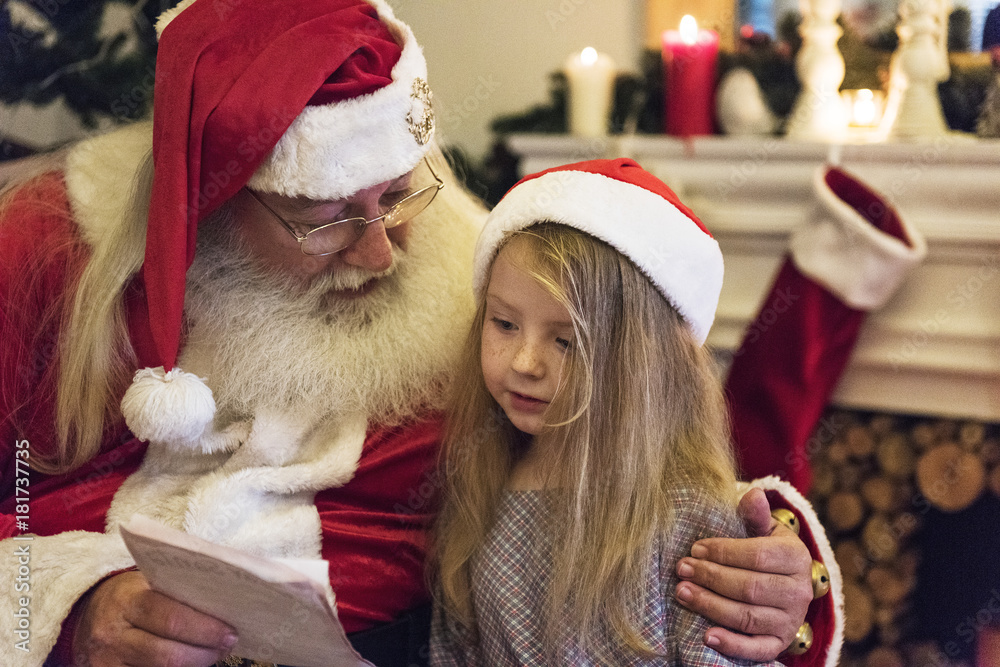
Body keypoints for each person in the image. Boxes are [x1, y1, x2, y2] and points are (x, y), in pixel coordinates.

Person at [0, 1, 831, 666]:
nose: (380, 248)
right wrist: (70, 612)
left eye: (399, 193)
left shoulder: (482, 258)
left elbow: (653, 440)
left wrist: (778, 587)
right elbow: (20, 503)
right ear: (212, 200)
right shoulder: (47, 252)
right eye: (324, 221)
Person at [429, 157, 790, 666]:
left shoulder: (684, 512)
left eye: (566, 341)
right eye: (504, 324)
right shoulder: (483, 484)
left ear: (641, 363)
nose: (525, 363)